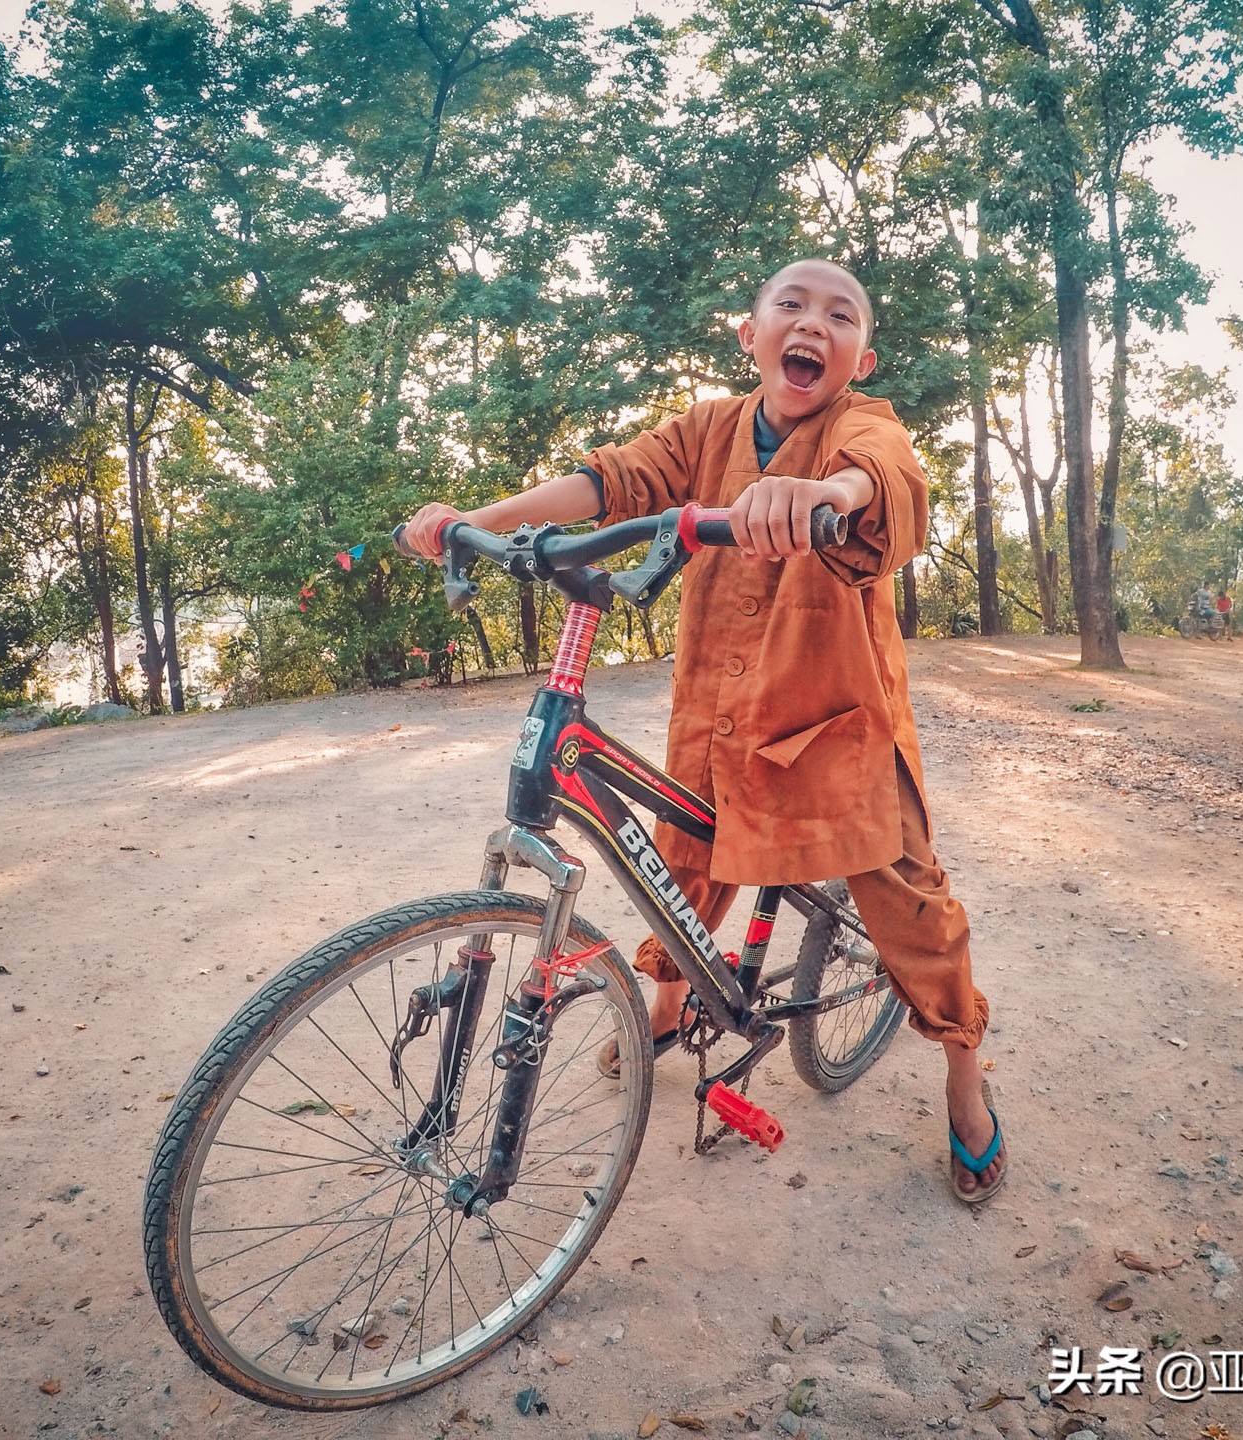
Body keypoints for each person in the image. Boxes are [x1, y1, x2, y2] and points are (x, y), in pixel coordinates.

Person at [403, 259, 1005, 1204]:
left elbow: (884, 477)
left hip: (835, 723)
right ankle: (673, 1002)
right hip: (722, 715)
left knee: (908, 905)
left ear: (861, 354)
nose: (814, 323)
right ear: (751, 334)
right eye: (792, 306)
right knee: (680, 855)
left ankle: (965, 1073)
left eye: (839, 316)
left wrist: (825, 499)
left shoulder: (860, 424)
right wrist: (473, 522)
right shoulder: (711, 427)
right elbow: (610, 479)